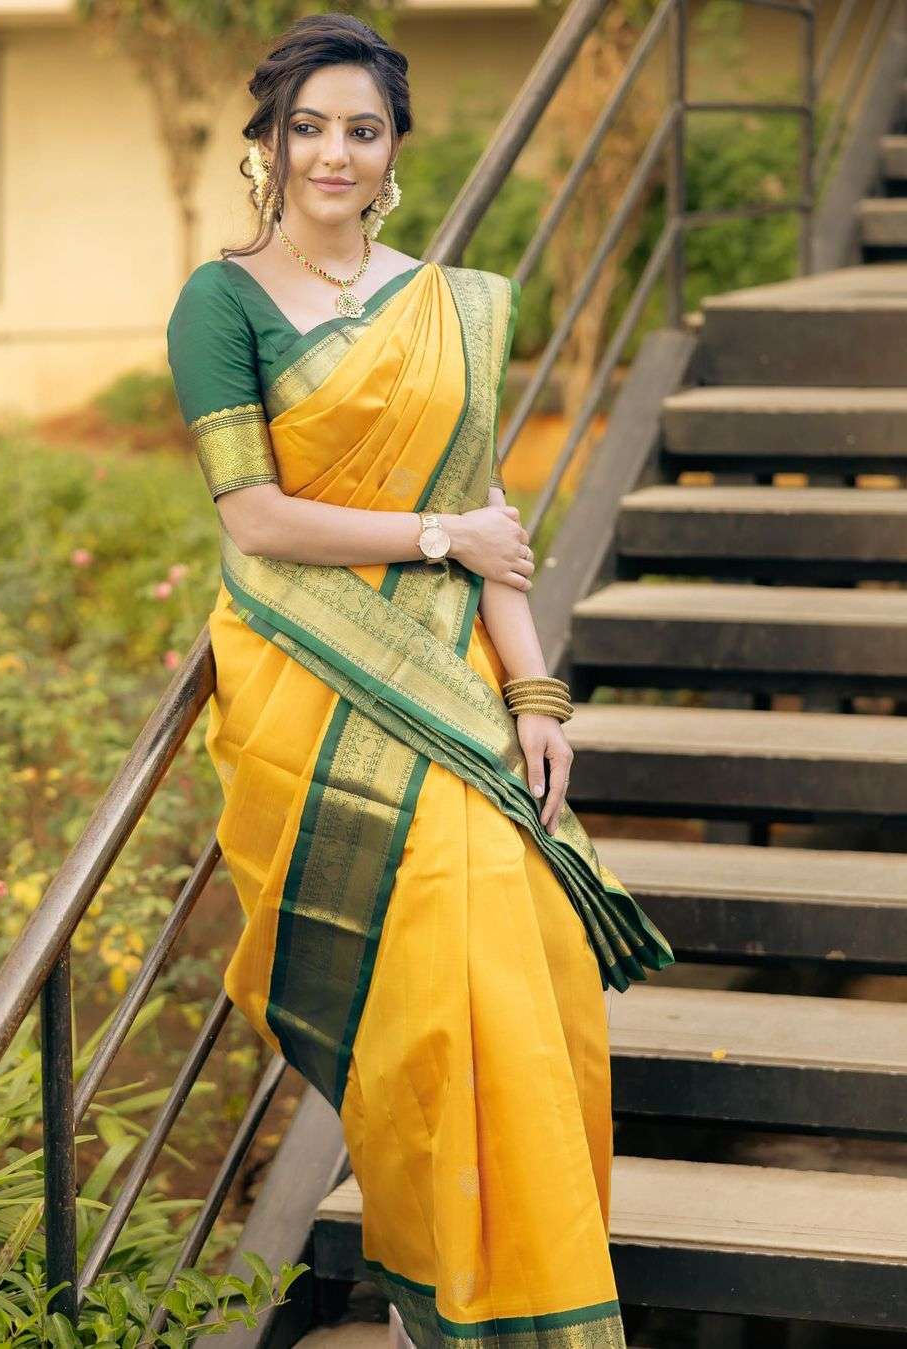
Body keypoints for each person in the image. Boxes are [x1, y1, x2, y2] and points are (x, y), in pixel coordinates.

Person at [166, 14, 673, 1348]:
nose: (334, 151)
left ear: (395, 151)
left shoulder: (445, 302)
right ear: (267, 145)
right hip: (304, 682)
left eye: (363, 128)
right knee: (423, 985)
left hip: (449, 675)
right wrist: (435, 538)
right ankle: (445, 1282)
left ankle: (493, 1281)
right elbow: (256, 518)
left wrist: (537, 688)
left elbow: (487, 511)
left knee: (539, 960)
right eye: (310, 126)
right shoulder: (220, 302)